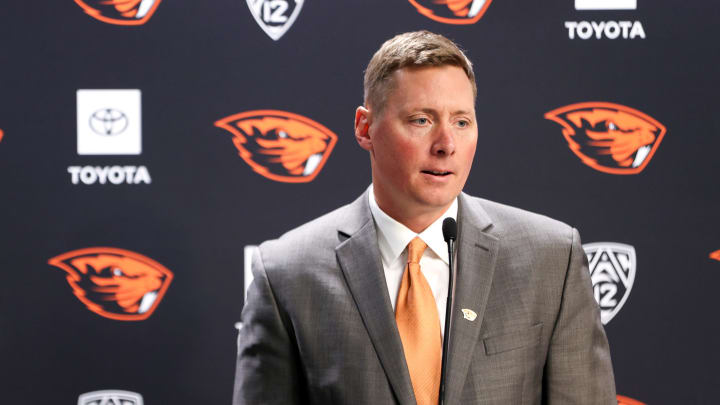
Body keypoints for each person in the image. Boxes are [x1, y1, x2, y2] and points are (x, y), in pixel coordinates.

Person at [233, 30, 616, 404]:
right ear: (365, 128)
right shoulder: (286, 273)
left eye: (461, 122)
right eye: (421, 120)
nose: (446, 145)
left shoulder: (551, 259)